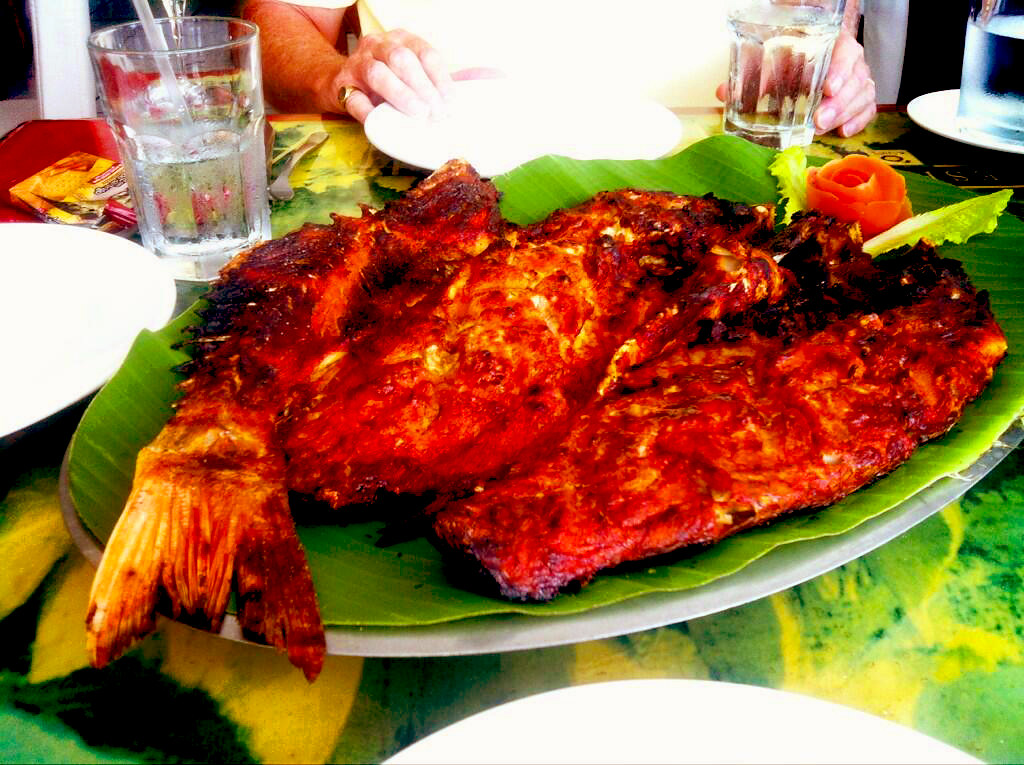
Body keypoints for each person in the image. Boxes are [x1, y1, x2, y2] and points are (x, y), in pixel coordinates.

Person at [242, 0, 876, 137]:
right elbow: (278, 17)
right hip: (435, 179)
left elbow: (818, 9)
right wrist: (336, 75)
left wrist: (835, 55)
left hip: (719, 175)